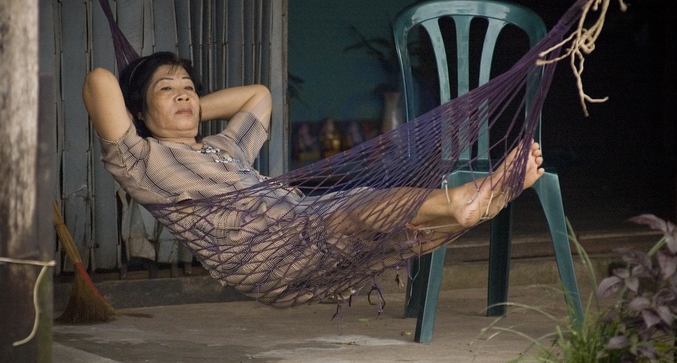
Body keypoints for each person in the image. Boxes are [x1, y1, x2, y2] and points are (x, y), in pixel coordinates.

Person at [83, 51, 544, 305]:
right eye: (167, 90)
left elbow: (259, 97)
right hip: (263, 250)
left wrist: (188, 105)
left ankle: (467, 211)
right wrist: (148, 103)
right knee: (356, 207)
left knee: (401, 235)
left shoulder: (223, 148)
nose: (184, 95)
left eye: (189, 88)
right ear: (137, 110)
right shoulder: (140, 157)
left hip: (299, 229)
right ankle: (462, 199)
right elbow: (99, 80)